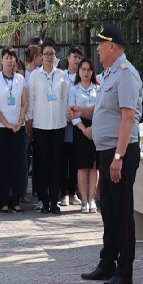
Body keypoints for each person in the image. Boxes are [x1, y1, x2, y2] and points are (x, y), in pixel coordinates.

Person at [71, 25, 142, 284]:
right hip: (107, 152)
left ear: (112, 46)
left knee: (122, 212)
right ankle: (108, 262)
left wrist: (119, 156)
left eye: (100, 44)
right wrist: (82, 110)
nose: (97, 48)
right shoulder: (110, 74)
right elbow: (104, 110)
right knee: (109, 211)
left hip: (119, 152)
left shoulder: (126, 75)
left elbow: (128, 117)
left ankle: (125, 270)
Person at [26, 40, 70, 214]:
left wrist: (66, 120)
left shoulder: (61, 75)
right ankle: (43, 201)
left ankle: (54, 201)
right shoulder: (35, 76)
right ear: (41, 56)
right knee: (42, 164)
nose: (49, 57)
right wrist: (29, 122)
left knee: (56, 165)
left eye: (52, 54)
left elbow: (65, 99)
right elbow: (31, 100)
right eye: (46, 54)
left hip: (58, 125)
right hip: (41, 126)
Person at [0, 46, 28, 214]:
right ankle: (4, 200)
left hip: (18, 128)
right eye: (6, 57)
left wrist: (19, 121)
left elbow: (25, 103)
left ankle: (16, 200)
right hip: (1, 128)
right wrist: (7, 124)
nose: (9, 60)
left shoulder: (21, 79)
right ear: (1, 60)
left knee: (17, 165)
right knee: (2, 165)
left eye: (12, 57)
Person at [69, 58, 100, 213]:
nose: (86, 72)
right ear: (79, 71)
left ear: (92, 72)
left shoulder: (98, 89)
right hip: (80, 129)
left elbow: (102, 111)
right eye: (83, 69)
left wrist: (93, 128)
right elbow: (72, 113)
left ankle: (92, 199)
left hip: (96, 129)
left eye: (89, 69)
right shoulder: (73, 89)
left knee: (94, 166)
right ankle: (83, 200)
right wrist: (84, 129)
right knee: (82, 166)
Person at [60, 46, 84, 207]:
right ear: (68, 58)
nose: (77, 60)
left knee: (76, 158)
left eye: (79, 57)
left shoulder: (83, 76)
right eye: (74, 56)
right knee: (63, 159)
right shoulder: (61, 76)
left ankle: (73, 191)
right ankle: (63, 193)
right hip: (62, 123)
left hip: (78, 123)